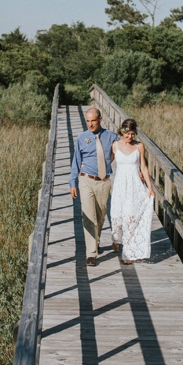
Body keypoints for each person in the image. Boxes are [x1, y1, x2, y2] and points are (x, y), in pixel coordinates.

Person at [69, 107, 119, 266]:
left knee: (100, 215)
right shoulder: (82, 138)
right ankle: (91, 254)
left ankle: (95, 241)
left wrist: (139, 167)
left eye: (93, 121)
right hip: (86, 180)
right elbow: (76, 160)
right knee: (89, 216)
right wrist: (72, 182)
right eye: (88, 121)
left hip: (104, 181)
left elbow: (126, 147)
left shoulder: (111, 136)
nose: (90, 124)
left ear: (100, 119)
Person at [109, 118, 155, 264]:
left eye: (132, 134)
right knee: (117, 216)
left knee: (131, 217)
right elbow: (107, 161)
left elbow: (144, 167)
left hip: (134, 186)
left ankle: (128, 253)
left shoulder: (139, 146)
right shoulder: (115, 146)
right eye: (127, 133)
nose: (129, 137)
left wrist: (150, 188)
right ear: (122, 131)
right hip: (120, 186)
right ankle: (117, 239)